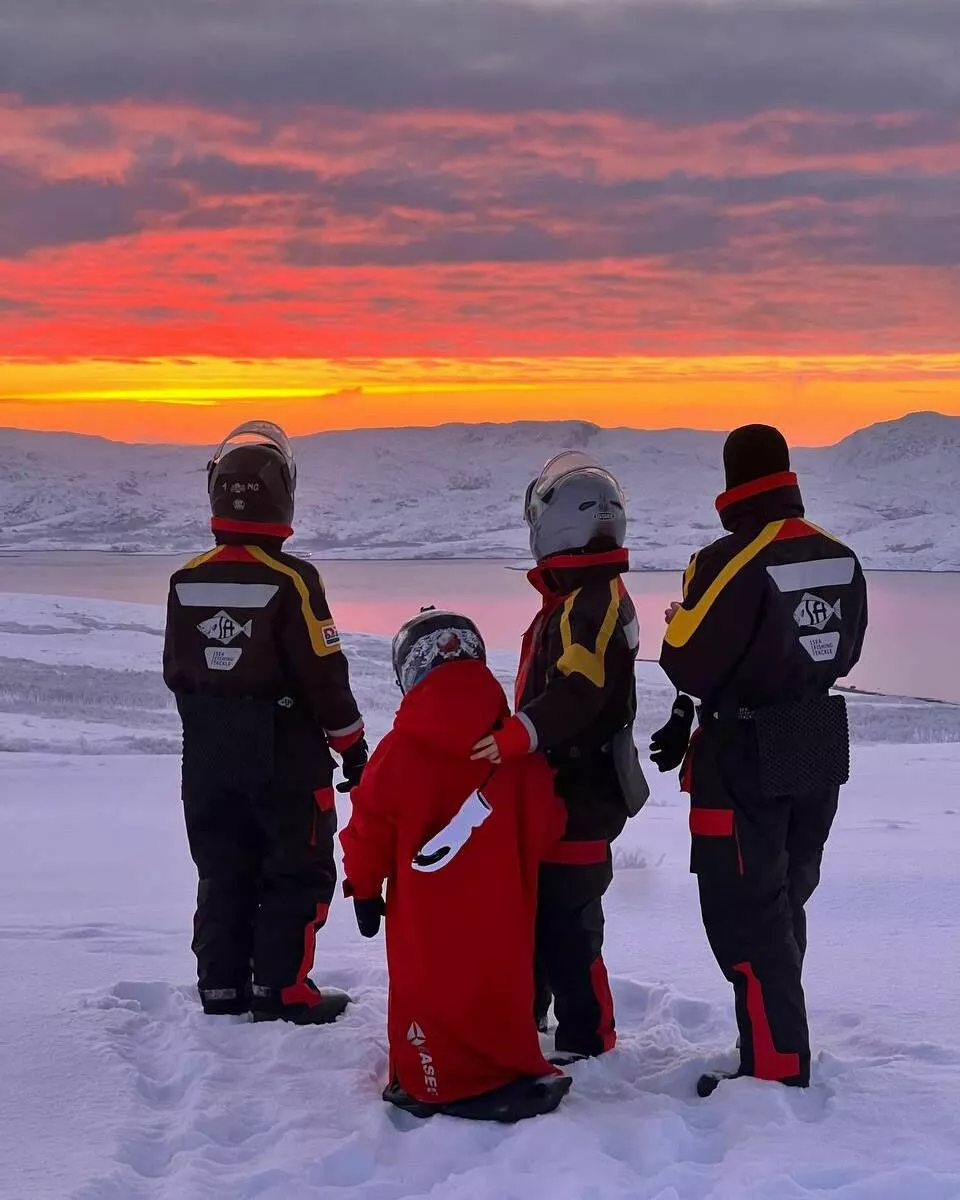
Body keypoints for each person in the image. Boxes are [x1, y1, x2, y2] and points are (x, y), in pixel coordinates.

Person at [655, 423, 868, 1095]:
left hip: (743, 748)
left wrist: (679, 625)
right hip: (816, 735)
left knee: (746, 912)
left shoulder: (731, 559)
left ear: (731, 483)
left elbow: (683, 655)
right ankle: (779, 1044)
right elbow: (849, 646)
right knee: (783, 902)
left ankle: (775, 1069)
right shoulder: (840, 557)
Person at [162, 421, 367, 1024]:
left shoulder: (186, 579)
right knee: (294, 869)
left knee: (222, 869)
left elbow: (178, 672)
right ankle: (281, 989)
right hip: (285, 759)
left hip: (205, 757)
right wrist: (352, 749)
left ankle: (220, 988)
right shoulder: (292, 580)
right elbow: (325, 673)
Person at [339, 608, 572, 1122]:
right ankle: (504, 1067)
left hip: (425, 919)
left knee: (432, 990)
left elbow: (367, 829)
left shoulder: (397, 753)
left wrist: (361, 888)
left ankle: (433, 1081)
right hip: (504, 908)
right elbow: (547, 824)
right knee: (500, 987)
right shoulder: (516, 748)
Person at [472, 453, 647, 1059]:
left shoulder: (590, 601)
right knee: (545, 909)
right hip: (562, 785)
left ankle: (587, 1036)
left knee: (569, 919)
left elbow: (581, 686)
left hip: (582, 789)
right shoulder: (577, 597)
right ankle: (536, 1014)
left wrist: (520, 733)